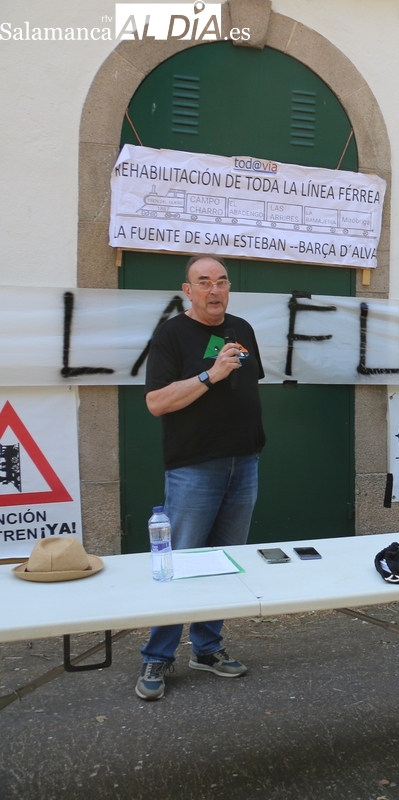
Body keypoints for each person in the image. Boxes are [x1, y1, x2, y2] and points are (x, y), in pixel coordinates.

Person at [136, 255, 266, 701]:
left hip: (243, 462)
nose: (215, 290)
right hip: (194, 467)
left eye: (222, 281)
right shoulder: (171, 334)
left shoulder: (242, 328)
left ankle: (207, 648)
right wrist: (211, 374)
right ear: (188, 290)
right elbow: (156, 402)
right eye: (204, 282)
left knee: (225, 562)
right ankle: (157, 655)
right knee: (178, 564)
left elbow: (248, 386)